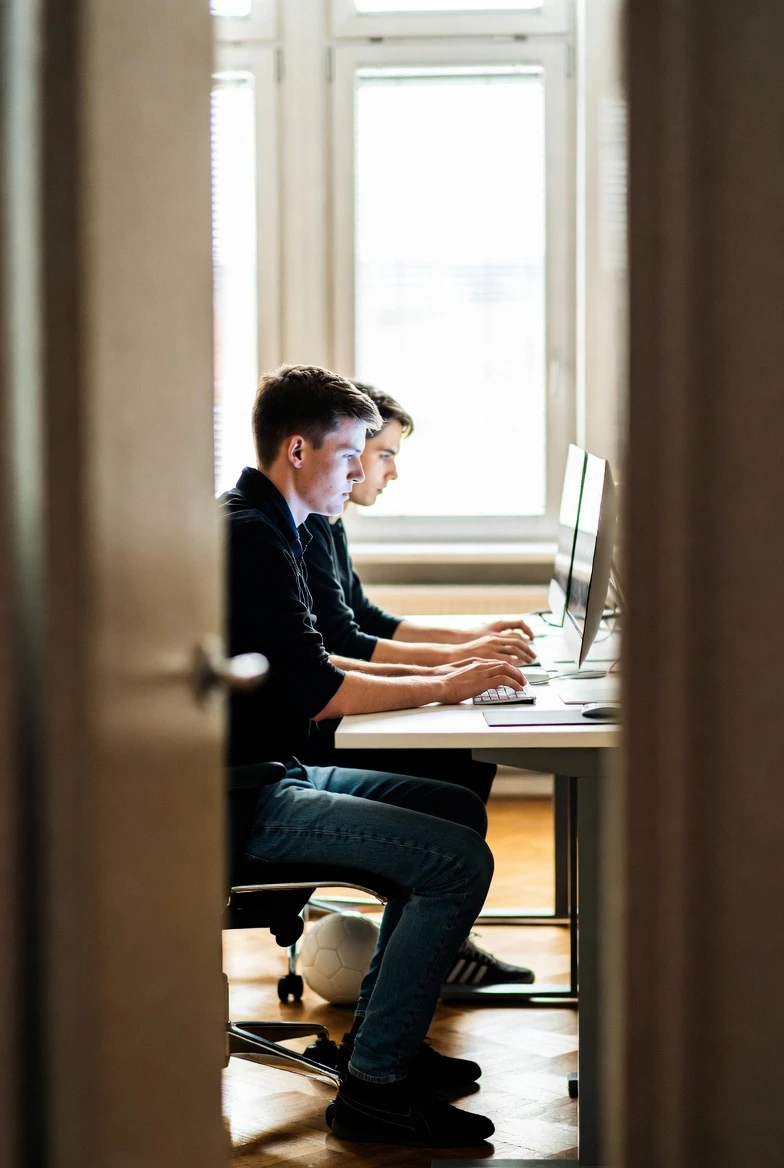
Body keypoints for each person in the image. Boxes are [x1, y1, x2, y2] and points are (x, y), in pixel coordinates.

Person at [223, 364, 530, 1147]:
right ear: (298, 450)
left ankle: (379, 1047)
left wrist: (448, 678)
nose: (364, 471)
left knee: (453, 805)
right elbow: (322, 691)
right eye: (354, 453)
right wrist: (451, 679)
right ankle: (374, 1092)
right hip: (246, 798)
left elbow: (322, 659)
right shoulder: (250, 538)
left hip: (275, 772)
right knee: (457, 860)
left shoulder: (274, 526)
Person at [300, 382, 538, 988]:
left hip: (319, 710)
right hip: (308, 732)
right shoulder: (302, 524)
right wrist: (450, 672)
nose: (384, 472)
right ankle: (434, 933)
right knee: (459, 759)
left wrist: (468, 644)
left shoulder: (323, 520)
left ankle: (435, 935)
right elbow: (344, 645)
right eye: (381, 454)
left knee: (463, 755)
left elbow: (363, 622)